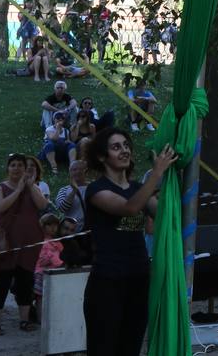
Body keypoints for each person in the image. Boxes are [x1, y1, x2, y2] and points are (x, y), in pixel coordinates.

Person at [84, 126, 178, 354]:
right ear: (101, 156)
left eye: (126, 146)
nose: (124, 151)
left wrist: (175, 179)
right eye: (116, 147)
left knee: (131, 348)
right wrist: (156, 173)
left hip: (138, 280)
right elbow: (130, 207)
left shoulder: (138, 188)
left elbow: (166, 215)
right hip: (107, 283)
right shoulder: (96, 190)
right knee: (104, 349)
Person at [0, 154, 49, 336]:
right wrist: (17, 190)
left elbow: (43, 205)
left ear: (24, 169)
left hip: (28, 242)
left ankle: (24, 320)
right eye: (13, 165)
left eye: (20, 165)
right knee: (2, 283)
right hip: (5, 244)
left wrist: (30, 187)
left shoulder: (33, 187)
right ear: (8, 169)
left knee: (25, 282)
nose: (16, 168)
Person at [54, 160, 88, 230]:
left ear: (86, 171)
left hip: (89, 229)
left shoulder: (93, 188)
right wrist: (74, 191)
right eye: (74, 169)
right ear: (70, 172)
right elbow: (62, 208)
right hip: (70, 231)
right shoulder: (63, 190)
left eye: (81, 169)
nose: (77, 172)